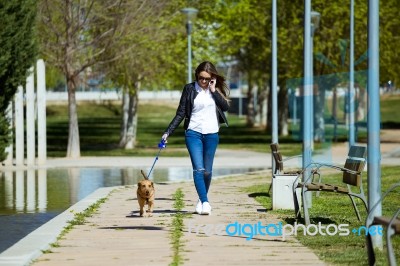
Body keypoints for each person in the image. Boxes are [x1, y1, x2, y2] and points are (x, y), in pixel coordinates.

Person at [162, 61, 230, 215]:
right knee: (198, 169)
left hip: (212, 134)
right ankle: (206, 202)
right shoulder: (190, 89)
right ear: (197, 76)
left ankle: (201, 198)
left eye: (207, 79)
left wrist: (213, 90)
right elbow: (180, 113)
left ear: (212, 78)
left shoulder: (215, 90)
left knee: (207, 171)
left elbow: (225, 108)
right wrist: (168, 132)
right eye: (201, 78)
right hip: (193, 133)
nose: (204, 82)